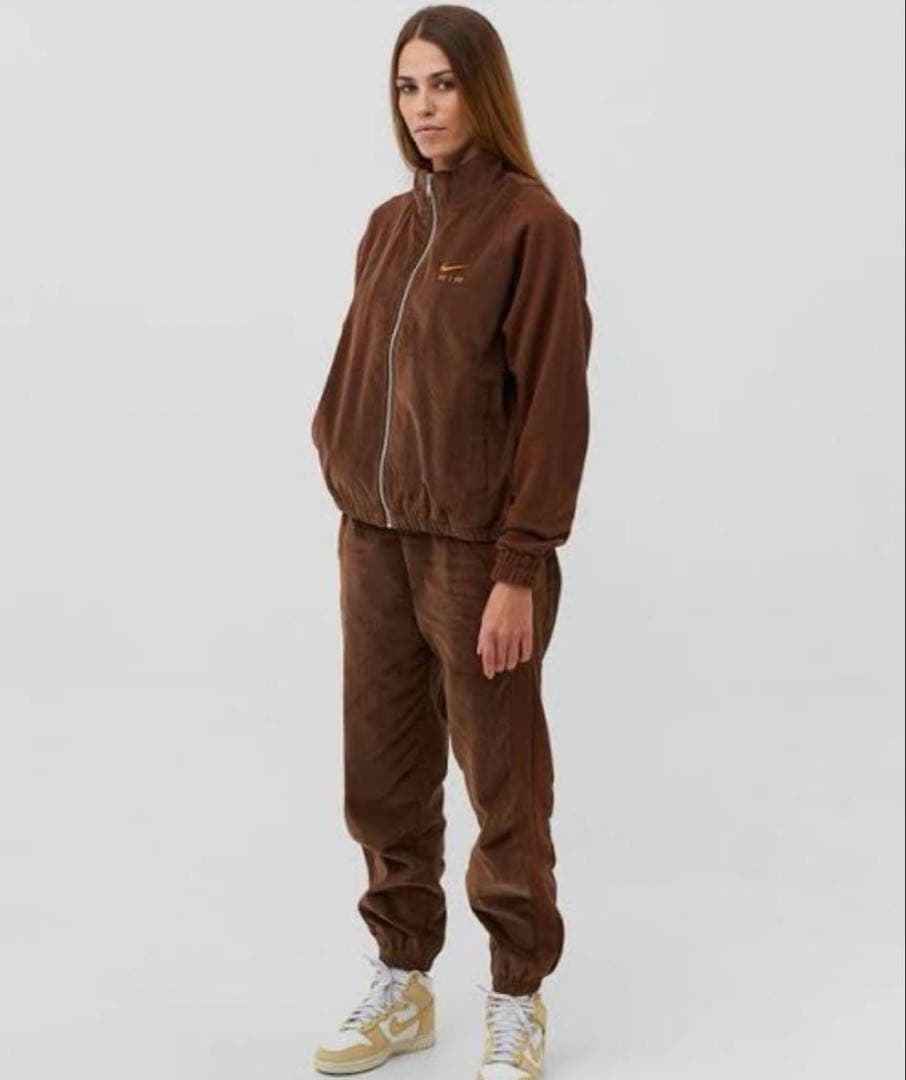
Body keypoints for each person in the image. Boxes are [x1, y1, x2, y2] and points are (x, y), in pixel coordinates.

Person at [309, 5, 592, 1077]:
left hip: (478, 553)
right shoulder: (388, 224)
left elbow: (555, 411)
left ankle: (517, 995)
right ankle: (402, 980)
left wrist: (521, 565)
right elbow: (361, 368)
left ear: (484, 91)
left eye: (442, 84)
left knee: (502, 780)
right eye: (406, 86)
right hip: (374, 541)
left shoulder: (532, 228)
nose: (422, 107)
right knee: (381, 771)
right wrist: (341, 463)